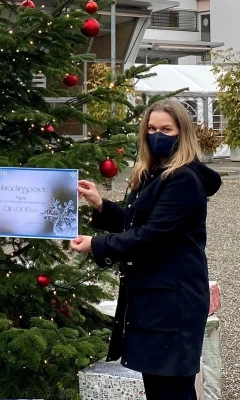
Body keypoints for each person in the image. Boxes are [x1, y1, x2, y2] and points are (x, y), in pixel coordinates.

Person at [70, 99, 221, 400]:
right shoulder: (154, 173)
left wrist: (96, 246)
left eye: (166, 129)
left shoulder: (184, 180)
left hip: (173, 304)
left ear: (182, 133)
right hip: (154, 299)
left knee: (173, 389)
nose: (157, 135)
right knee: (157, 385)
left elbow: (151, 236)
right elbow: (135, 222)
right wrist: (101, 205)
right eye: (151, 128)